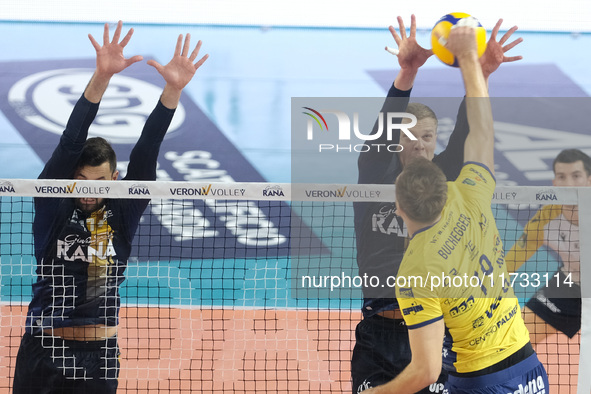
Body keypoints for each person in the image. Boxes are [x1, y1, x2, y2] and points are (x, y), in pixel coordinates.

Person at [12, 21, 208, 393]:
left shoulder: (124, 209)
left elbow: (148, 148)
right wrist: (101, 76)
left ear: (115, 180)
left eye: (99, 183)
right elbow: (71, 140)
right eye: (81, 181)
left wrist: (172, 90)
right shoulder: (52, 204)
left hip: (98, 356)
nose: (88, 191)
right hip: (42, 349)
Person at [363, 25, 548, 394]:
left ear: (399, 207)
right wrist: (466, 67)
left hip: (446, 343)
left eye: (427, 136)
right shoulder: (467, 189)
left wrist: (475, 68)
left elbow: (470, 132)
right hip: (389, 335)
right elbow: (481, 134)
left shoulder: (416, 267)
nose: (417, 145)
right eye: (407, 137)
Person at [505, 149, 591, 344]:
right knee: (514, 340)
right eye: (562, 177)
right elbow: (511, 261)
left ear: (589, 180)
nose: (569, 184)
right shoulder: (546, 219)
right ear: (555, 183)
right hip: (571, 285)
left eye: (576, 176)